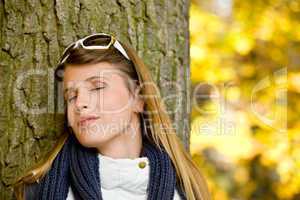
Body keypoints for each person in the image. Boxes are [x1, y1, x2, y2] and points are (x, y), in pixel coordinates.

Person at [13, 33, 211, 200]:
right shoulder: (34, 191)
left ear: (139, 98)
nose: (80, 103)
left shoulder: (188, 191)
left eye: (98, 87)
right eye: (71, 96)